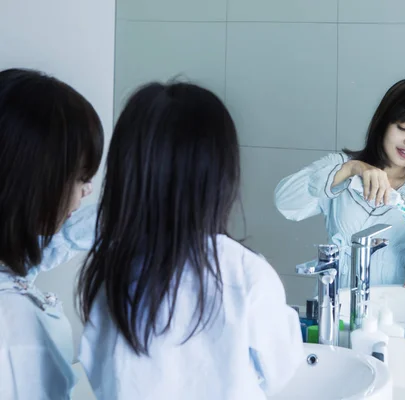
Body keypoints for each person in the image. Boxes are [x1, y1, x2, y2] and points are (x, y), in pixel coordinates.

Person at [77, 81, 303, 399]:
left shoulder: (113, 272)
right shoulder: (246, 273)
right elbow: (282, 369)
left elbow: (97, 370)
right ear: (219, 174)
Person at [275, 78, 405, 288]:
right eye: (403, 127)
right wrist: (352, 169)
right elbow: (285, 201)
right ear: (384, 123)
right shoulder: (341, 166)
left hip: (390, 310)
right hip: (337, 304)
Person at [0, 68, 103, 398]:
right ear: (35, 179)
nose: (87, 190)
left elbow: (56, 243)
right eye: (79, 177)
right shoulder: (17, 328)